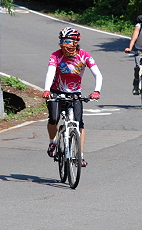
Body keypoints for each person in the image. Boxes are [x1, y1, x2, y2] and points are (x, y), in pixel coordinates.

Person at [42, 27, 102, 167]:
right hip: (56, 91)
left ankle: (80, 155)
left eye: (68, 41)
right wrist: (46, 89)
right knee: (54, 118)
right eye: (62, 41)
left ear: (76, 42)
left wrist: (96, 91)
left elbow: (97, 74)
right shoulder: (56, 55)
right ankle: (53, 142)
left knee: (79, 123)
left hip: (75, 94)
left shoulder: (85, 56)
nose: (64, 44)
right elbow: (50, 73)